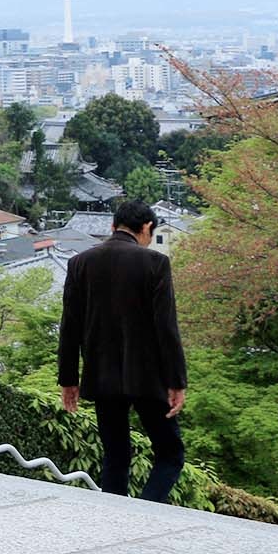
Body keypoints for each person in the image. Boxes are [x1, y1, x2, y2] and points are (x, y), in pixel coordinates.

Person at [58, 197, 189, 502]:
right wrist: (177, 381)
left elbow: (70, 327)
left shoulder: (80, 263)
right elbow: (166, 328)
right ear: (146, 228)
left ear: (113, 225)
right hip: (148, 378)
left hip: (102, 378)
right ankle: (146, 511)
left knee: (116, 455)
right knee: (170, 454)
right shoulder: (155, 263)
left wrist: (68, 380)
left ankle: (114, 520)